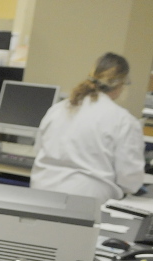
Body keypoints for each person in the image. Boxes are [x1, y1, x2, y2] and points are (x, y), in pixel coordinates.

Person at [30, 52, 146, 204]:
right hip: (88, 202)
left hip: (41, 195)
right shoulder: (123, 120)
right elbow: (130, 179)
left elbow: (39, 150)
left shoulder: (58, 109)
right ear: (121, 84)